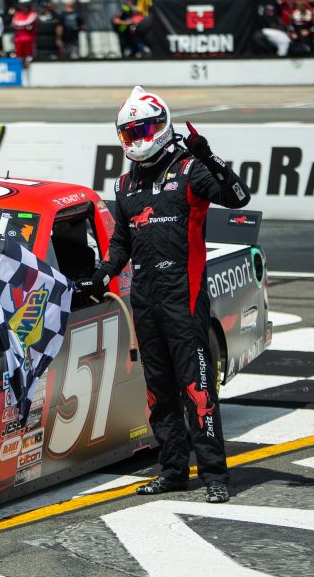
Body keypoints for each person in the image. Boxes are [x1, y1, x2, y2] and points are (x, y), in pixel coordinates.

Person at [76, 86, 251, 504]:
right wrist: (103, 273)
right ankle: (173, 471)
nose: (137, 139)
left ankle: (215, 475)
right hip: (145, 300)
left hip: (184, 300)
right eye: (129, 133)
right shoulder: (125, 184)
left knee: (198, 389)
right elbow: (121, 242)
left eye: (143, 130)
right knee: (158, 392)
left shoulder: (191, 168)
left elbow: (239, 197)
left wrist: (209, 156)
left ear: (162, 125)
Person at [11, 0, 38, 67]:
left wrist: (20, 25)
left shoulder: (33, 14)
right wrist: (23, 26)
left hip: (29, 39)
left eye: (26, 5)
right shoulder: (17, 14)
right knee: (18, 56)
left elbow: (28, 22)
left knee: (29, 56)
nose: (24, 7)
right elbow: (15, 23)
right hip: (18, 39)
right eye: (22, 5)